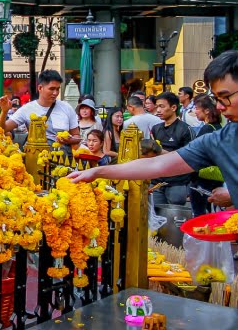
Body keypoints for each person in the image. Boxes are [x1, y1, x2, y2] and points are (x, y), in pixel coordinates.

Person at [68, 51, 238, 214]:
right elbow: (157, 164)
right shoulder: (219, 139)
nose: (219, 106)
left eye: (225, 97)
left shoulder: (195, 131)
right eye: (216, 99)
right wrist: (98, 172)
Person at [0, 70, 79, 148]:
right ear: (40, 88)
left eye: (58, 89)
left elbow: (76, 136)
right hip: (36, 157)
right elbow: (2, 129)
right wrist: (4, 112)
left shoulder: (66, 107)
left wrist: (67, 140)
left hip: (63, 158)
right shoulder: (27, 109)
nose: (55, 93)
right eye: (52, 89)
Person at [149, 92, 194, 206]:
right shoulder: (156, 129)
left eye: (162, 106)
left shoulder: (185, 129)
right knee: (157, 216)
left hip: (177, 183)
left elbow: (187, 158)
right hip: (156, 181)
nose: (158, 110)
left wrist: (160, 151)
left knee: (176, 217)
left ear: (173, 107)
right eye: (157, 106)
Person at [188, 94, 223, 216]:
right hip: (216, 179)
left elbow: (196, 154)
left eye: (197, 108)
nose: (195, 112)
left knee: (200, 215)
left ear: (207, 110)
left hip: (203, 181)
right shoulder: (218, 127)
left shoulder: (207, 129)